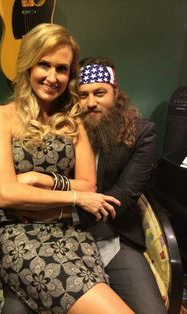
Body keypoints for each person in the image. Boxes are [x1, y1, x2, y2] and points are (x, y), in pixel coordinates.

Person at [0, 24, 134, 314]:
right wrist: (75, 197)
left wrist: (37, 180)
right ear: (29, 64)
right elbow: (6, 195)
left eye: (62, 69)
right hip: (17, 233)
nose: (53, 77)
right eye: (44, 64)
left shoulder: (73, 121)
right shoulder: (0, 116)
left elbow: (88, 185)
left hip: (69, 230)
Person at [77, 57, 167, 314]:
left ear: (115, 93)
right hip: (65, 238)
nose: (91, 102)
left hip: (113, 236)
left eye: (99, 93)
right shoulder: (64, 130)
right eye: (83, 95)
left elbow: (124, 196)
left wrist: (71, 209)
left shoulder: (141, 133)